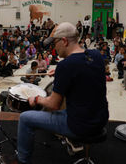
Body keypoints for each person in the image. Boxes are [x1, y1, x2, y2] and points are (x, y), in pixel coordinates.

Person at [16, 22, 109, 164]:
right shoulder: (96, 55)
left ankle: (22, 160)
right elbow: (83, 76)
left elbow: (53, 104)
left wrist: (36, 99)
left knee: (25, 118)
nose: (53, 47)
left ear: (64, 41)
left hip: (80, 125)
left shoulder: (66, 66)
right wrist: (60, 74)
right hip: (100, 119)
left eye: (54, 43)